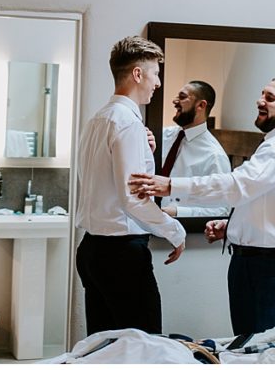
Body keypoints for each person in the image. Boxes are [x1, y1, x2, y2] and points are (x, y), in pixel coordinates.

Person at [129, 77, 275, 336]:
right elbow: (258, 199)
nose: (260, 101)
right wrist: (231, 226)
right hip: (249, 260)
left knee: (255, 351)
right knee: (243, 344)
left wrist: (171, 186)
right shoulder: (272, 143)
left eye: (270, 98)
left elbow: (239, 186)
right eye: (261, 94)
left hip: (265, 266)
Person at [75, 36, 186, 335]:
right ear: (138, 74)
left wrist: (144, 153)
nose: (158, 83)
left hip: (92, 251)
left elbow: (103, 181)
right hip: (121, 257)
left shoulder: (97, 121)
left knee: (104, 349)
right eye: (156, 73)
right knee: (144, 347)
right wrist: (175, 231)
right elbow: (133, 199)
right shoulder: (127, 124)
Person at [157, 80, 231, 218]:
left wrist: (178, 212)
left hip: (184, 230)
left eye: (182, 97)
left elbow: (222, 210)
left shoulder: (214, 156)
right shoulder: (162, 136)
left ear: (201, 105)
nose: (175, 101)